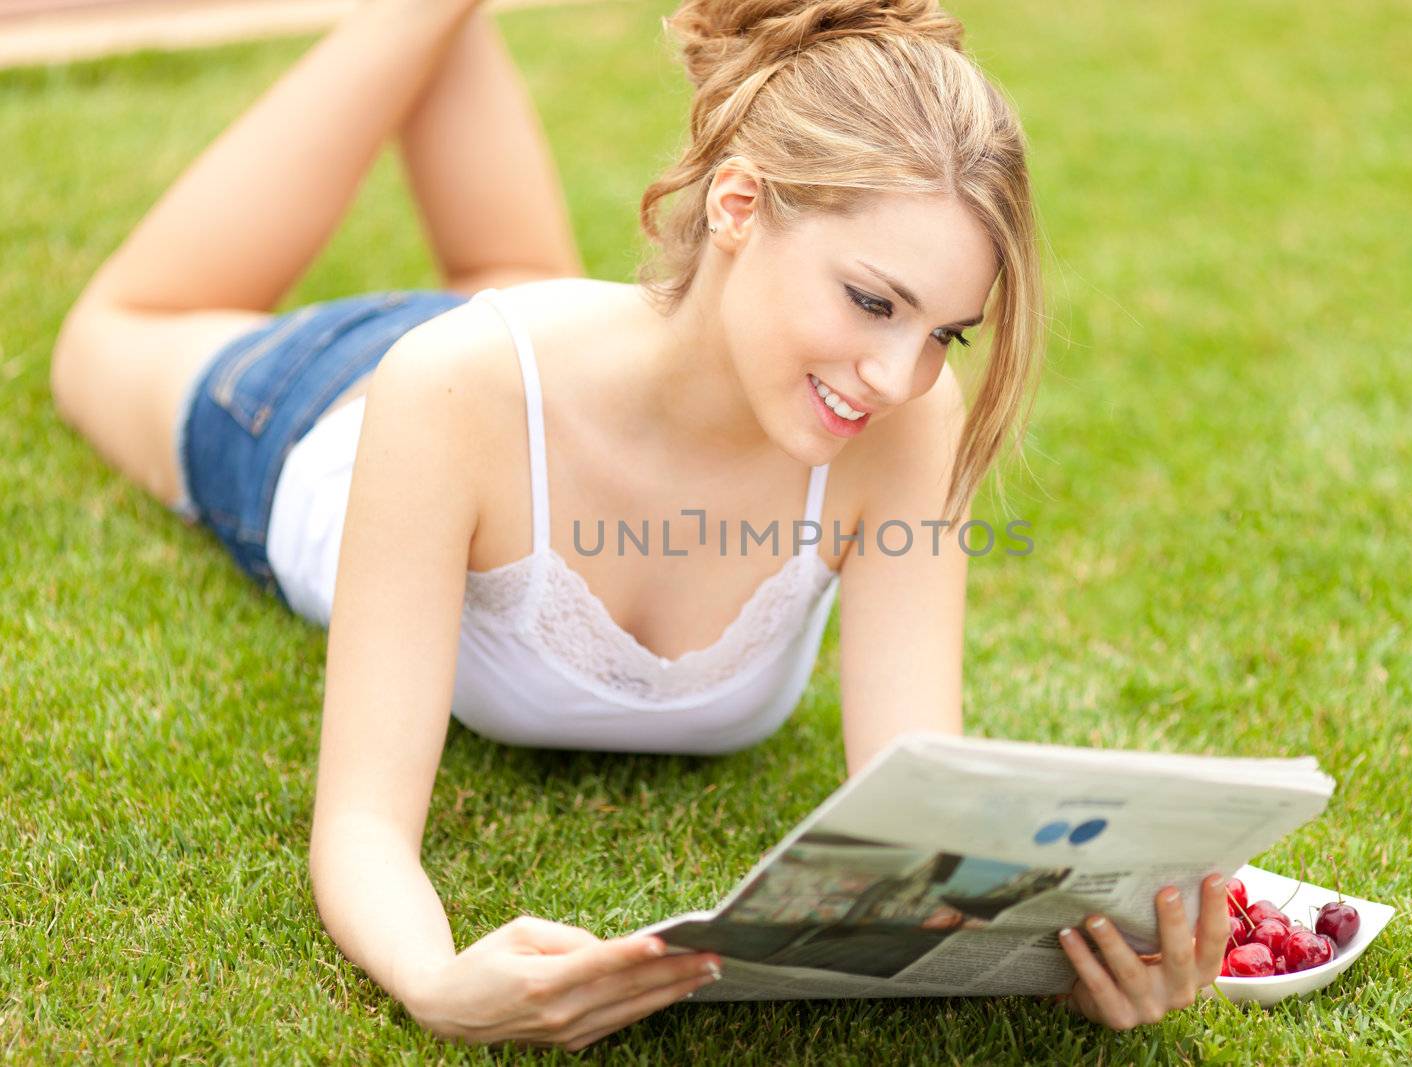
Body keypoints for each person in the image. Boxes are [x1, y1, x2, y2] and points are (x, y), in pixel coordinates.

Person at [49, 0, 1230, 1051]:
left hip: (566, 362)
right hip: (318, 410)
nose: (896, 371)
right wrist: (430, 975)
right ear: (735, 203)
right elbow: (361, 820)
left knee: (507, 272)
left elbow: (913, 805)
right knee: (105, 333)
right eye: (871, 299)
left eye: (943, 332)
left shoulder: (901, 423)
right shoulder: (448, 391)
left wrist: (1068, 962)